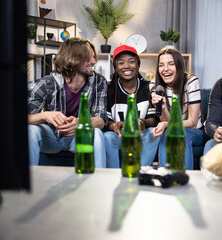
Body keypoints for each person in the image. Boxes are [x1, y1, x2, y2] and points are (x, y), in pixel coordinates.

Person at [27, 37, 108, 167]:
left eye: (94, 57)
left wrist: (80, 123)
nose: (94, 62)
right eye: (89, 58)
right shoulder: (48, 82)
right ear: (74, 58)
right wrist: (45, 115)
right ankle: (26, 183)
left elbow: (101, 120)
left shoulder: (99, 82)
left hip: (79, 137)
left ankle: (98, 182)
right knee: (30, 131)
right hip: (53, 137)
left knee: (96, 133)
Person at [104, 45, 160, 167]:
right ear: (115, 67)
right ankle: (113, 175)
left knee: (153, 133)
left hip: (141, 136)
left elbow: (154, 119)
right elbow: (105, 121)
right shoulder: (109, 89)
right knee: (107, 137)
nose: (127, 66)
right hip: (119, 136)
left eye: (131, 61)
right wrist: (113, 125)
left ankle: (138, 172)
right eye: (121, 63)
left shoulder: (149, 86)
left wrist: (141, 122)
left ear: (138, 65)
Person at [150, 47, 205, 170]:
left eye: (171, 64)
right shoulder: (155, 87)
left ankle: (184, 177)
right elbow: (166, 120)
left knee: (180, 133)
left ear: (179, 66)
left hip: (195, 132)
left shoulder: (191, 81)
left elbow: (192, 123)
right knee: (169, 132)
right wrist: (163, 108)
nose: (165, 69)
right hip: (174, 129)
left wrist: (166, 124)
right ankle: (166, 176)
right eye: (161, 65)